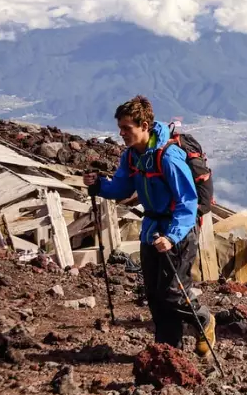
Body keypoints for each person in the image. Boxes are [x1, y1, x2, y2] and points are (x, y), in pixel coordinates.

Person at [83, 96, 216, 355]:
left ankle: (204, 320)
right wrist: (99, 185)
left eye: (126, 128)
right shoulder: (132, 156)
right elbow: (121, 187)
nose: (121, 134)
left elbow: (187, 203)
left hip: (177, 233)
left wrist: (172, 236)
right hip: (151, 230)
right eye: (120, 128)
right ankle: (169, 352)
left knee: (173, 294)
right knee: (155, 297)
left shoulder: (168, 157)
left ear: (144, 125)